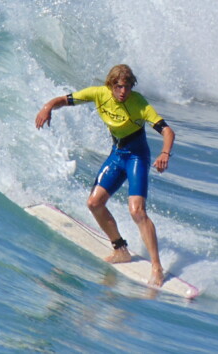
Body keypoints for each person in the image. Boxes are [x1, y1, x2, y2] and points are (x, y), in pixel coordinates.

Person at [35, 64, 175, 287]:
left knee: (137, 211)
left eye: (127, 87)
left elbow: (167, 131)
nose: (123, 92)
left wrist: (165, 153)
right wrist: (47, 108)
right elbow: (63, 100)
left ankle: (156, 266)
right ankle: (121, 249)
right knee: (94, 203)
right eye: (119, 87)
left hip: (137, 157)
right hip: (117, 155)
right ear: (110, 85)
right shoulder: (98, 94)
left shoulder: (139, 103)